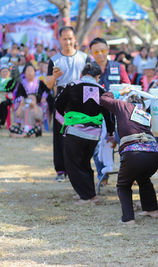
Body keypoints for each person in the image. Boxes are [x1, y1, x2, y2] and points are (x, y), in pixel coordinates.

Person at [55, 62, 114, 204]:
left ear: (82, 74)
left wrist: (68, 113)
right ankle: (90, 194)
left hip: (75, 131)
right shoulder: (101, 90)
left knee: (73, 164)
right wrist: (111, 132)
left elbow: (58, 104)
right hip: (94, 134)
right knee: (84, 163)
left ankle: (85, 196)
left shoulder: (72, 86)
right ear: (97, 76)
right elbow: (108, 114)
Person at [100, 87, 158, 224]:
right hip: (155, 154)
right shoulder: (145, 113)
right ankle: (151, 209)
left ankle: (128, 219)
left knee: (123, 185)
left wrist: (119, 92)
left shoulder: (123, 106)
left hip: (134, 153)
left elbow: (103, 98)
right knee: (144, 178)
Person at [46, 26, 90, 182]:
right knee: (60, 134)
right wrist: (54, 76)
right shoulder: (54, 60)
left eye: (70, 38)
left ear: (75, 39)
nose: (68, 42)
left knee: (80, 133)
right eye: (64, 39)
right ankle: (61, 170)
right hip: (62, 98)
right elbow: (49, 85)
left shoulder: (85, 58)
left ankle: (79, 167)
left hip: (80, 98)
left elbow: (91, 79)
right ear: (60, 40)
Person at [89, 37, 131, 185]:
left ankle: (130, 175)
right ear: (91, 53)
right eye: (96, 51)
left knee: (126, 143)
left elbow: (128, 87)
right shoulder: (88, 69)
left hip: (118, 113)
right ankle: (103, 174)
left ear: (108, 50)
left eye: (103, 50)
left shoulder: (118, 67)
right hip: (97, 114)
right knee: (97, 145)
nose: (100, 54)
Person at [15, 64, 53, 129]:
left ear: (34, 72)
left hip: (38, 103)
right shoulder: (22, 83)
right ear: (24, 73)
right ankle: (21, 124)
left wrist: (44, 97)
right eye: (28, 71)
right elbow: (18, 94)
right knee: (18, 104)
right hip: (26, 102)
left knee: (44, 104)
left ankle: (41, 124)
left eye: (31, 71)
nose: (30, 73)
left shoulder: (39, 82)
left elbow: (46, 90)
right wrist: (22, 100)